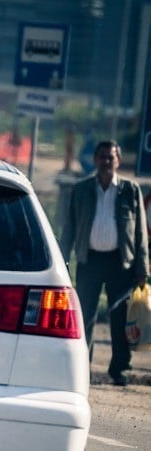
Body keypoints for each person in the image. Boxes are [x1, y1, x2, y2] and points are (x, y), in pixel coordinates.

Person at [60, 140, 149, 386]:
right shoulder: (82, 189)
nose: (106, 161)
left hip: (121, 263)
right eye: (102, 157)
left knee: (120, 319)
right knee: (85, 316)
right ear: (95, 160)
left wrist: (143, 269)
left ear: (118, 160)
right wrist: (62, 260)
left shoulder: (130, 190)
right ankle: (82, 369)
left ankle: (119, 369)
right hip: (90, 261)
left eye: (111, 157)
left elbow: (140, 232)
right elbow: (69, 228)